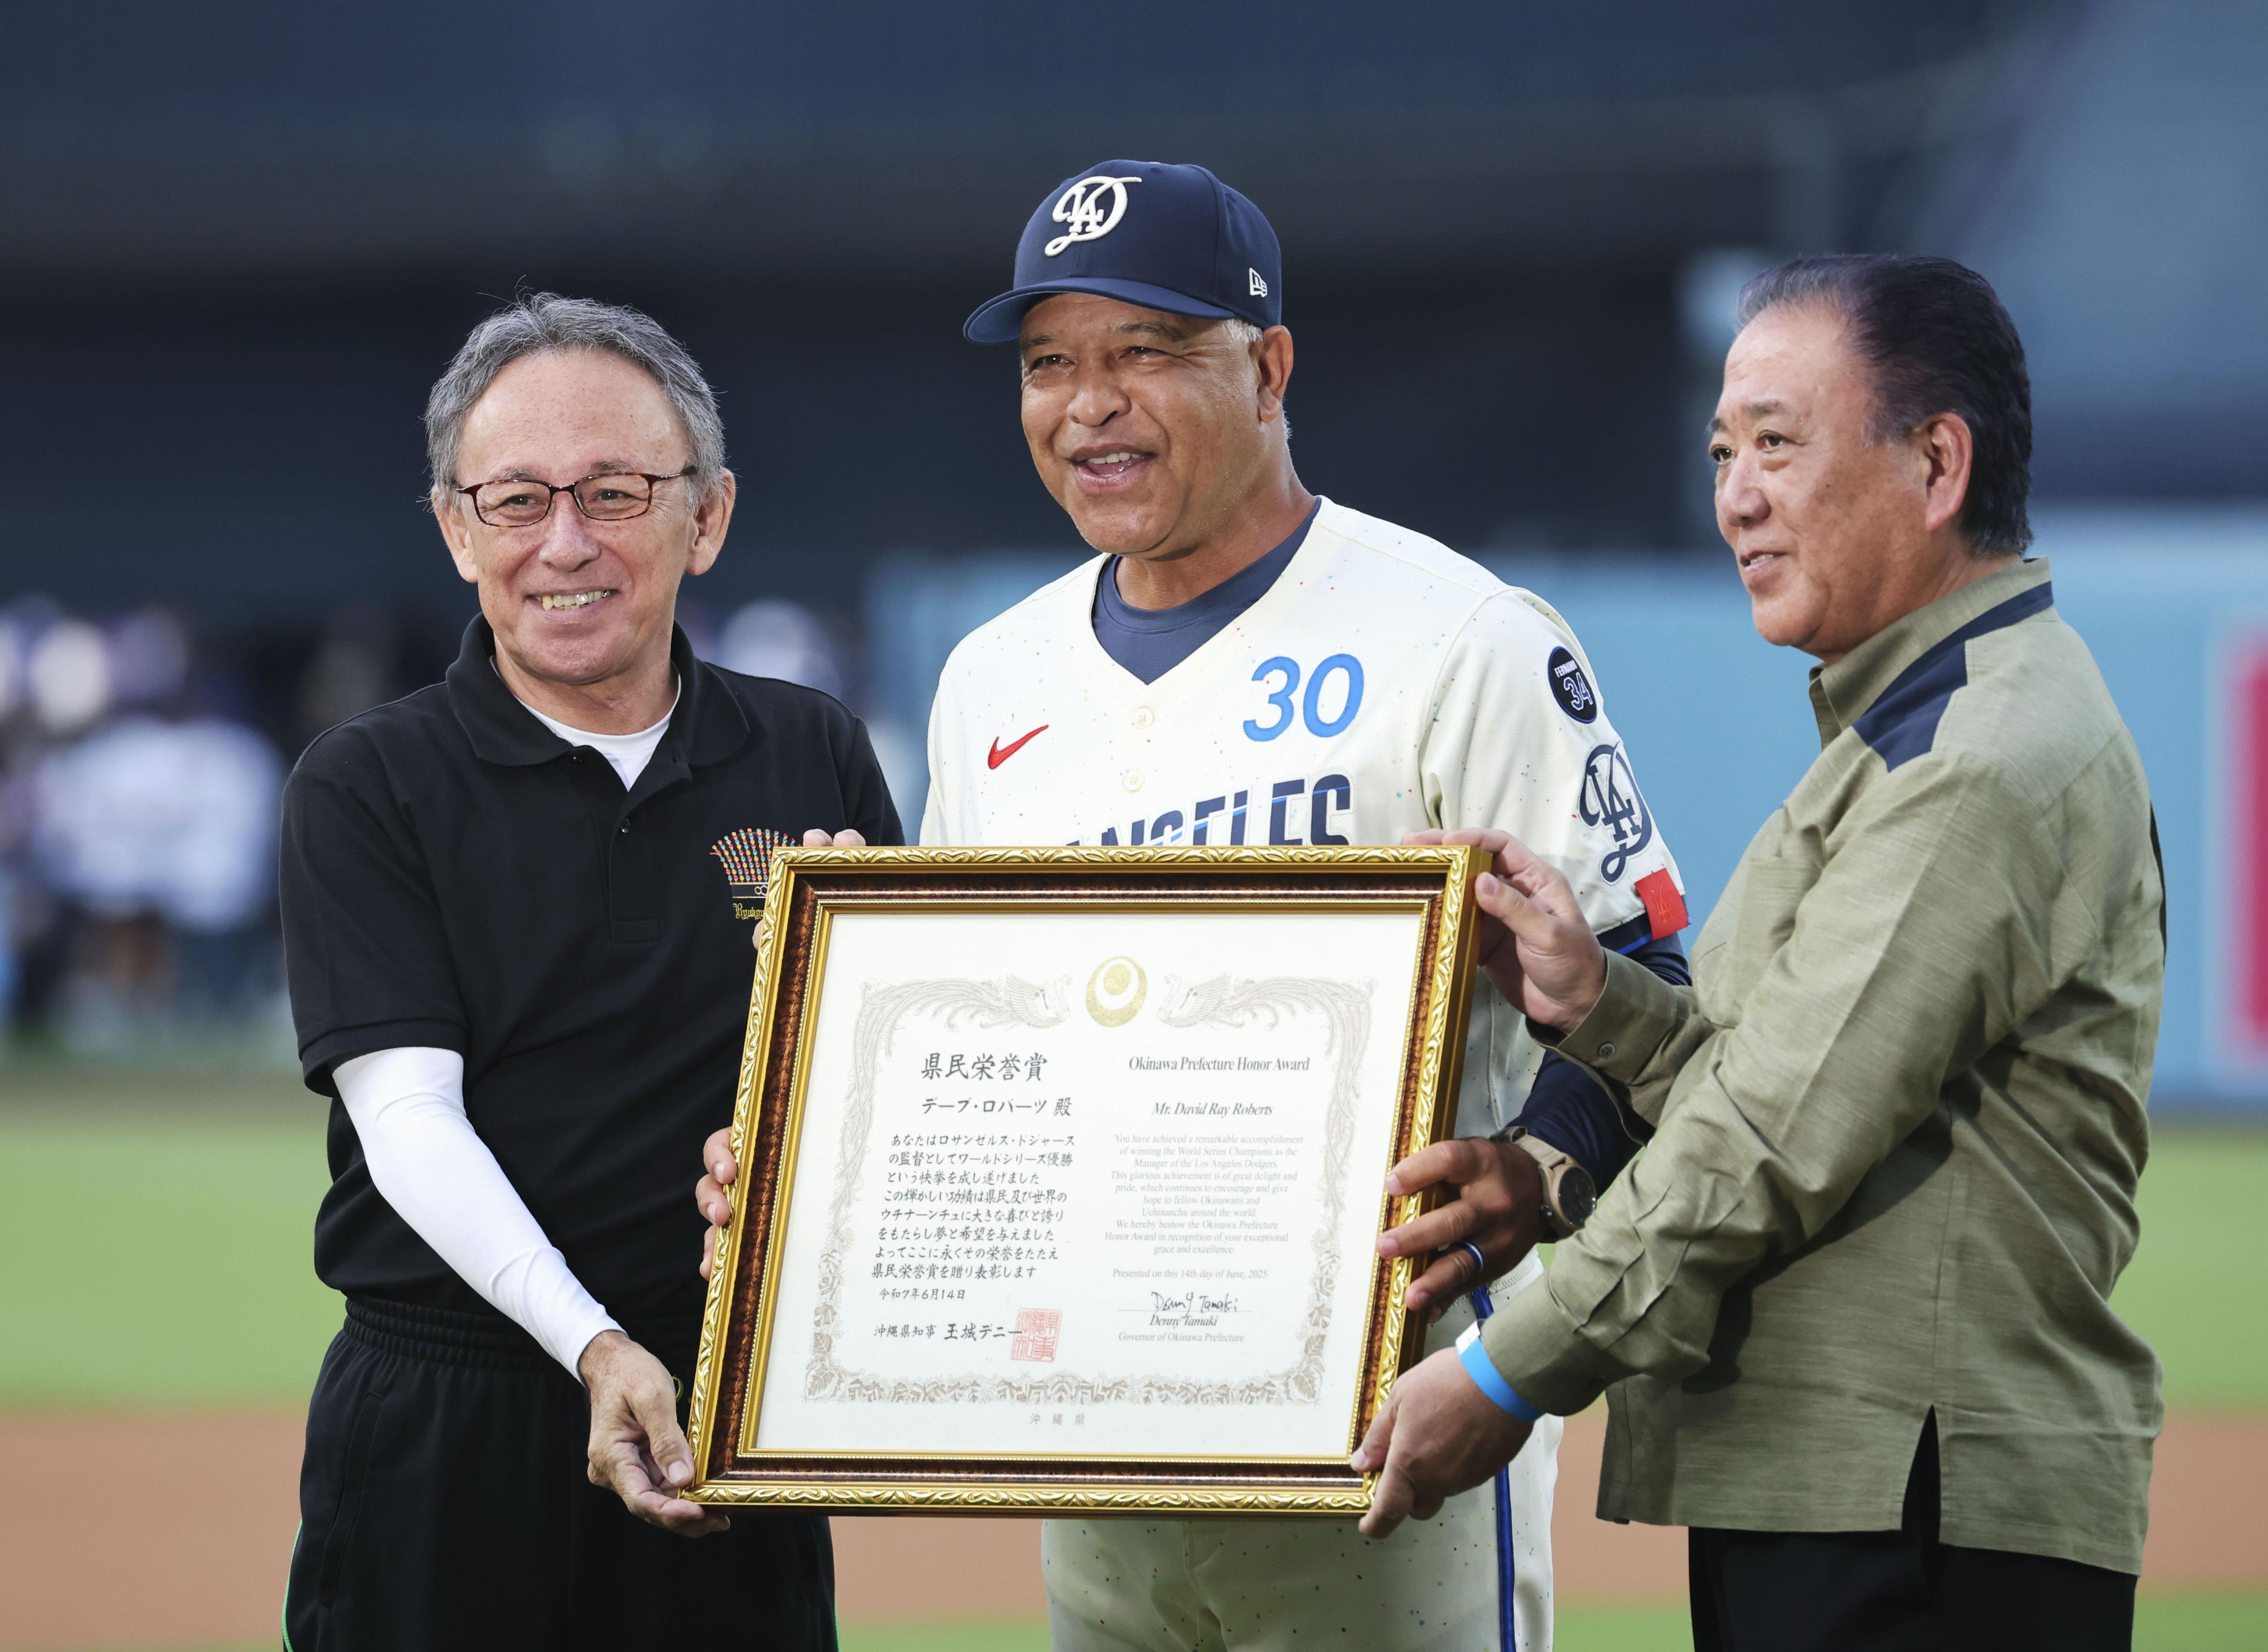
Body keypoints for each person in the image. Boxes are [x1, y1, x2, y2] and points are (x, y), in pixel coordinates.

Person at [698, 160, 1693, 1651]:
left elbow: (1644, 958)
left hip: (1381, 1428)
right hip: (1089, 1437)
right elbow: (976, 1057)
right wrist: (803, 1166)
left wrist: (1542, 1161)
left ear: (1270, 366)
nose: (1086, 403)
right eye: (1049, 363)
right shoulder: (993, 679)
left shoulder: (1460, 636)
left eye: (1144, 351)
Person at [1352, 256, 2166, 1652]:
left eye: (1778, 443)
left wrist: (1502, 1371)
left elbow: (1766, 1138)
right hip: (1866, 1495)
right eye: (1723, 450)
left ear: (1936, 462)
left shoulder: (1974, 757)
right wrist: (1595, 1001)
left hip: (1920, 1520)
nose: (1735, 494)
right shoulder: (1910, 726)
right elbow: (1766, 1067)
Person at [278, 294, 897, 1650]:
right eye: (515, 499)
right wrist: (597, 1347)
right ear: (454, 528)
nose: (566, 543)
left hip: (724, 1424)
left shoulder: (813, 753)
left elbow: (891, 1113)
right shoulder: (369, 782)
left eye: (615, 492)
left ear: (708, 515)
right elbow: (406, 1121)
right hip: (453, 1416)